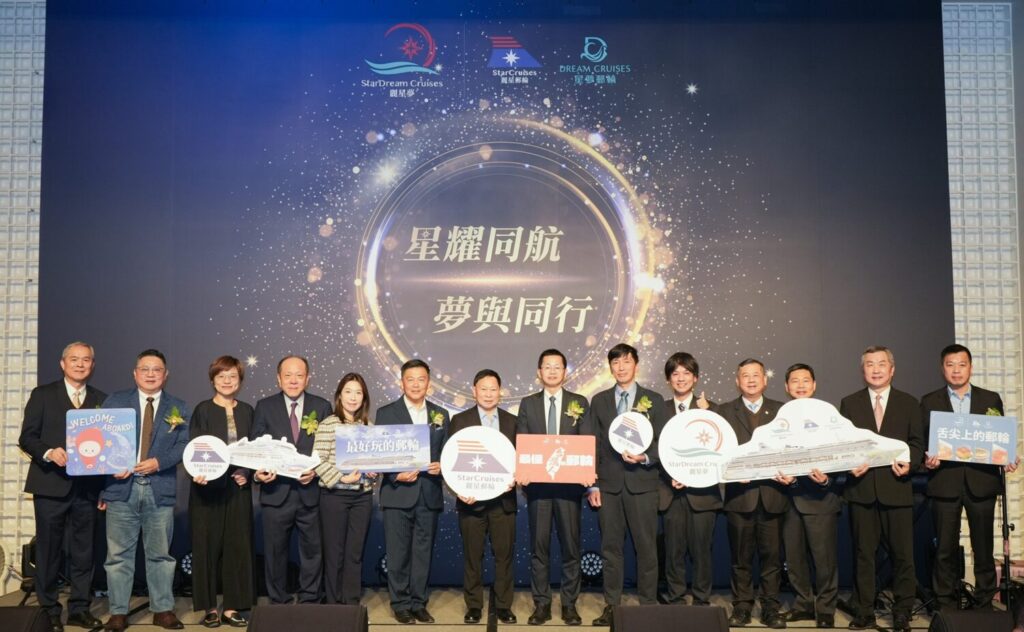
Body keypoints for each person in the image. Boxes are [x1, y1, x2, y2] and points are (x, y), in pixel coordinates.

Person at [99, 349, 190, 631]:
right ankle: (118, 612)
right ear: (135, 373)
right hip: (120, 489)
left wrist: (159, 462)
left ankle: (162, 609)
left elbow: (184, 446)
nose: (151, 374)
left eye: (157, 369)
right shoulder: (115, 402)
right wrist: (109, 467)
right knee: (118, 557)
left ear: (166, 374)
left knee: (161, 555)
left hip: (159, 489)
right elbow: (99, 441)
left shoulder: (179, 407)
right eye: (145, 369)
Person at [922, 344, 1018, 610]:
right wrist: (927, 460)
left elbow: (998, 438)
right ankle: (945, 605)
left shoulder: (990, 399)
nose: (956, 370)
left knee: (983, 548)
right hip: (945, 483)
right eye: (950, 365)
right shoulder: (929, 401)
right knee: (944, 549)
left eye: (961, 364)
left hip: (981, 483)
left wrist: (1007, 456)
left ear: (971, 368)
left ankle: (985, 603)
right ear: (943, 369)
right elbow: (923, 442)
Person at [19, 342, 106, 632]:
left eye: (86, 360)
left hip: (87, 489)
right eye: (74, 359)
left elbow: (107, 448)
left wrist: (105, 488)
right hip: (49, 485)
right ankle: (48, 610)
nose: (80, 364)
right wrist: (48, 452)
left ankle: (80, 609)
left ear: (93, 365)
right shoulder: (42, 395)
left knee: (84, 552)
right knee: (48, 551)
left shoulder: (101, 399)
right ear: (62, 363)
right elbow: (27, 438)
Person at [840, 346, 923, 632]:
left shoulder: (909, 403)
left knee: (903, 556)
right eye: (870, 364)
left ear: (892, 369)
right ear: (862, 370)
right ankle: (864, 611)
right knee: (863, 555)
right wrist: (849, 465)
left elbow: (917, 443)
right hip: (861, 490)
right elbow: (843, 445)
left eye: (881, 364)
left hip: (896, 488)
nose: (876, 369)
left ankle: (902, 612)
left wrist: (909, 464)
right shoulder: (849, 403)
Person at [585, 343, 667, 626]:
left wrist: (645, 457)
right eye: (615, 363)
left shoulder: (654, 399)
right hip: (608, 486)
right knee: (611, 549)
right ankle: (612, 605)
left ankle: (648, 605)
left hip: (643, 485)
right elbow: (593, 444)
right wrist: (593, 485)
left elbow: (663, 444)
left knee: (646, 549)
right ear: (610, 367)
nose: (621, 367)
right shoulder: (599, 401)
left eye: (626, 362)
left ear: (636, 365)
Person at [251, 355, 333, 604]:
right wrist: (258, 473)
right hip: (276, 493)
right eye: (288, 375)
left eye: (299, 375)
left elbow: (330, 449)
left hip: (311, 494)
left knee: (313, 551)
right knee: (275, 552)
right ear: (279, 379)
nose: (293, 380)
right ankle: (279, 601)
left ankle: (310, 599)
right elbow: (256, 447)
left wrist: (316, 471)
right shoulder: (264, 406)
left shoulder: (322, 407)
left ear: (308, 378)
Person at [517, 349, 590, 626]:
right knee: (540, 549)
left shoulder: (579, 402)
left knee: (571, 548)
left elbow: (587, 440)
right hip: (538, 489)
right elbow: (522, 440)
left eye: (557, 367)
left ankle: (569, 605)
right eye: (547, 366)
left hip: (569, 489)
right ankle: (542, 604)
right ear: (539, 372)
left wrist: (587, 472)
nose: (551, 371)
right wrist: (523, 470)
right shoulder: (528, 403)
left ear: (565, 372)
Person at [715, 358, 788, 629]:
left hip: (773, 495)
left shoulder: (781, 411)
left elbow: (790, 448)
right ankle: (742, 607)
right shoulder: (724, 411)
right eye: (745, 375)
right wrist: (730, 470)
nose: (751, 380)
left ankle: (770, 608)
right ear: (738, 381)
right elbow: (717, 451)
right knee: (740, 559)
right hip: (739, 497)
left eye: (756, 375)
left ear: (765, 380)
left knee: (772, 559)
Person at [376, 359, 448, 624]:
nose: (416, 384)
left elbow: (447, 451)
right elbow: (379, 453)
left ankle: (419, 603)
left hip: (428, 494)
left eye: (421, 379)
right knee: (398, 553)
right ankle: (400, 603)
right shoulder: (386, 413)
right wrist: (395, 475)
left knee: (422, 553)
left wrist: (443, 465)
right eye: (410, 379)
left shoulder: (441, 414)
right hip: (397, 494)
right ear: (401, 383)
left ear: (429, 383)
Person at [448, 369, 518, 624]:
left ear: (500, 392)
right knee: (472, 556)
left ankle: (503, 606)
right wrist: (458, 488)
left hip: (503, 502)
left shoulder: (513, 422)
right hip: (471, 502)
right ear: (474, 391)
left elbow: (521, 458)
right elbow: (450, 460)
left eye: (493, 389)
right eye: (483, 389)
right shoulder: (459, 420)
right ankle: (474, 606)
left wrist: (516, 476)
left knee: (504, 556)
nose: (488, 394)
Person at [189, 356, 254, 627]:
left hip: (238, 489)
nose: (227, 381)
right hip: (207, 490)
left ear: (240, 381)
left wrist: (247, 472)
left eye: (232, 376)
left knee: (237, 547)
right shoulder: (203, 410)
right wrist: (198, 472)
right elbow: (194, 448)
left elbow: (255, 449)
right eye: (221, 376)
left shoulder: (248, 411)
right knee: (206, 548)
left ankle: (231, 607)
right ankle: (209, 608)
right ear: (212, 379)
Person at [773, 364, 839, 629]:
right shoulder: (780, 419)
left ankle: (825, 609)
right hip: (789, 499)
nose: (800, 385)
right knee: (794, 559)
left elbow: (841, 454)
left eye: (805, 380)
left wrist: (827, 479)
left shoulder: (828, 417)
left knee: (824, 560)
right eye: (794, 381)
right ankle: (803, 605)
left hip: (821, 499)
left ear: (814, 385)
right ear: (786, 387)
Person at [659, 352, 718, 608]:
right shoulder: (658, 410)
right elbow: (655, 448)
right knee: (674, 550)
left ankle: (702, 598)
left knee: (702, 550)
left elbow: (719, 450)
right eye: (675, 374)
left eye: (686, 373)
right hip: (670, 492)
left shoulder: (712, 409)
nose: (680, 378)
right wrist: (671, 474)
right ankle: (676, 596)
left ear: (695, 378)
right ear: (668, 379)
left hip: (702, 494)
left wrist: (708, 414)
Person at [313, 373, 377, 605]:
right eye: (348, 392)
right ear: (339, 395)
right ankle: (333, 604)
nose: (353, 397)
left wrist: (373, 472)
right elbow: (318, 461)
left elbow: (375, 461)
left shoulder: (368, 427)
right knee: (334, 553)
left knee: (354, 553)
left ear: (364, 398)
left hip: (362, 497)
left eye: (358, 393)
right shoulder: (328, 424)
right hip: (334, 496)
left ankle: (351, 604)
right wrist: (342, 477)